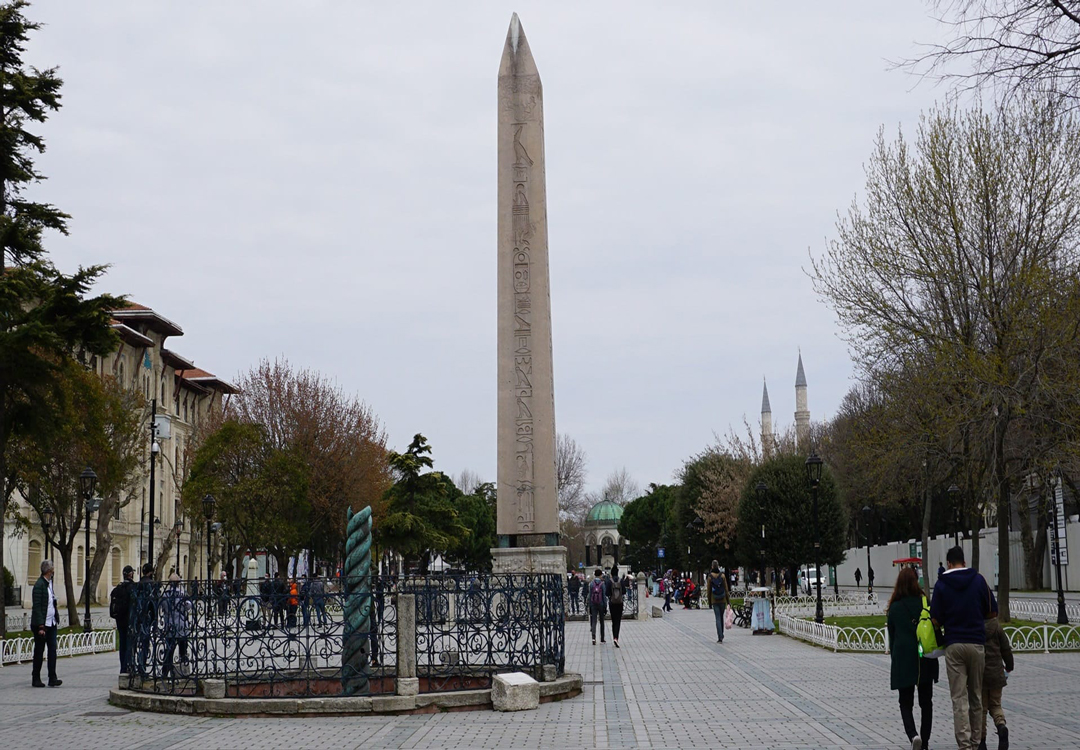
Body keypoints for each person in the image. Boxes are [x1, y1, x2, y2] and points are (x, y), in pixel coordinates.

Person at [930, 545, 992, 750]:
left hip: (954, 644)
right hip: (976, 643)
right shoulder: (978, 581)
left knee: (959, 698)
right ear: (964, 562)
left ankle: (964, 745)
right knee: (976, 695)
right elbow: (992, 612)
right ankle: (976, 742)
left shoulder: (941, 585)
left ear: (948, 564)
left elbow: (936, 620)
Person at [886, 567, 939, 750]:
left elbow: (892, 637)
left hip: (904, 659)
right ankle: (925, 742)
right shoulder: (924, 603)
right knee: (926, 702)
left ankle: (913, 735)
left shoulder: (894, 608)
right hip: (924, 656)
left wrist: (895, 658)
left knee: (905, 702)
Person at [978, 593, 1013, 750]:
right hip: (997, 674)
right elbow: (1006, 649)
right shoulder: (997, 627)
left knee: (982, 709)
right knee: (996, 704)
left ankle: (982, 741)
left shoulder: (976, 626)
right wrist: (1009, 666)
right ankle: (1001, 726)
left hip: (980, 674)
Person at [30, 559, 61, 687]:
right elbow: (37, 607)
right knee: (39, 651)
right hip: (42, 625)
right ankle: (36, 678)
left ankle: (52, 677)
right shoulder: (39, 585)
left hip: (51, 623)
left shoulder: (49, 584)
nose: (54, 570)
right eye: (52, 568)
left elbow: (50, 602)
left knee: (52, 651)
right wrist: (40, 626)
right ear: (48, 571)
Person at [161, 573, 191, 679]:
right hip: (181, 625)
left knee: (169, 650)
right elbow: (188, 606)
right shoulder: (182, 593)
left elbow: (164, 608)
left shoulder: (165, 594)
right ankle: (183, 671)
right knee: (183, 650)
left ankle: (165, 672)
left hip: (170, 625)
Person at [110, 565, 137, 673]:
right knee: (130, 644)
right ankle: (129, 665)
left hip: (120, 620)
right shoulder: (133, 587)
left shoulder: (118, 588)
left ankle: (123, 667)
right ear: (131, 574)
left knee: (122, 644)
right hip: (130, 620)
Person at [707, 561, 730, 643]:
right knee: (721, 617)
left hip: (714, 600)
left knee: (717, 618)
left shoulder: (710, 577)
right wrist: (728, 601)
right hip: (722, 599)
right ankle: (722, 634)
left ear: (712, 567)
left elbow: (709, 591)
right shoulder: (722, 576)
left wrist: (709, 602)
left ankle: (719, 636)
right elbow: (726, 589)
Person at [608, 565, 628, 648]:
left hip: (612, 603)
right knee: (618, 621)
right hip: (619, 603)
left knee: (613, 621)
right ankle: (616, 637)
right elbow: (624, 591)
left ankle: (614, 637)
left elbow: (607, 593)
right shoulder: (621, 581)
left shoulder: (609, 581)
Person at [587, 568, 607, 645]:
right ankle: (602, 638)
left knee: (594, 621)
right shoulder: (602, 584)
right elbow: (604, 596)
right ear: (600, 575)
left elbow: (589, 595)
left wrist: (589, 605)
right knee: (602, 621)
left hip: (593, 604)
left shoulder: (591, 583)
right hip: (601, 604)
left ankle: (593, 638)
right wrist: (605, 605)